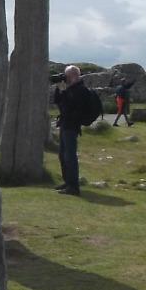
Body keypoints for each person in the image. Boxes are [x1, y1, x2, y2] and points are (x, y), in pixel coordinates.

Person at [52, 65, 98, 196]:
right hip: (65, 124)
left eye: (65, 76)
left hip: (72, 126)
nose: (64, 78)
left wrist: (64, 92)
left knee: (70, 156)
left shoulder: (80, 90)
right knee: (63, 155)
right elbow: (58, 102)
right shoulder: (70, 89)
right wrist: (59, 89)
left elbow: (69, 107)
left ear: (72, 75)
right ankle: (67, 182)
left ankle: (73, 186)